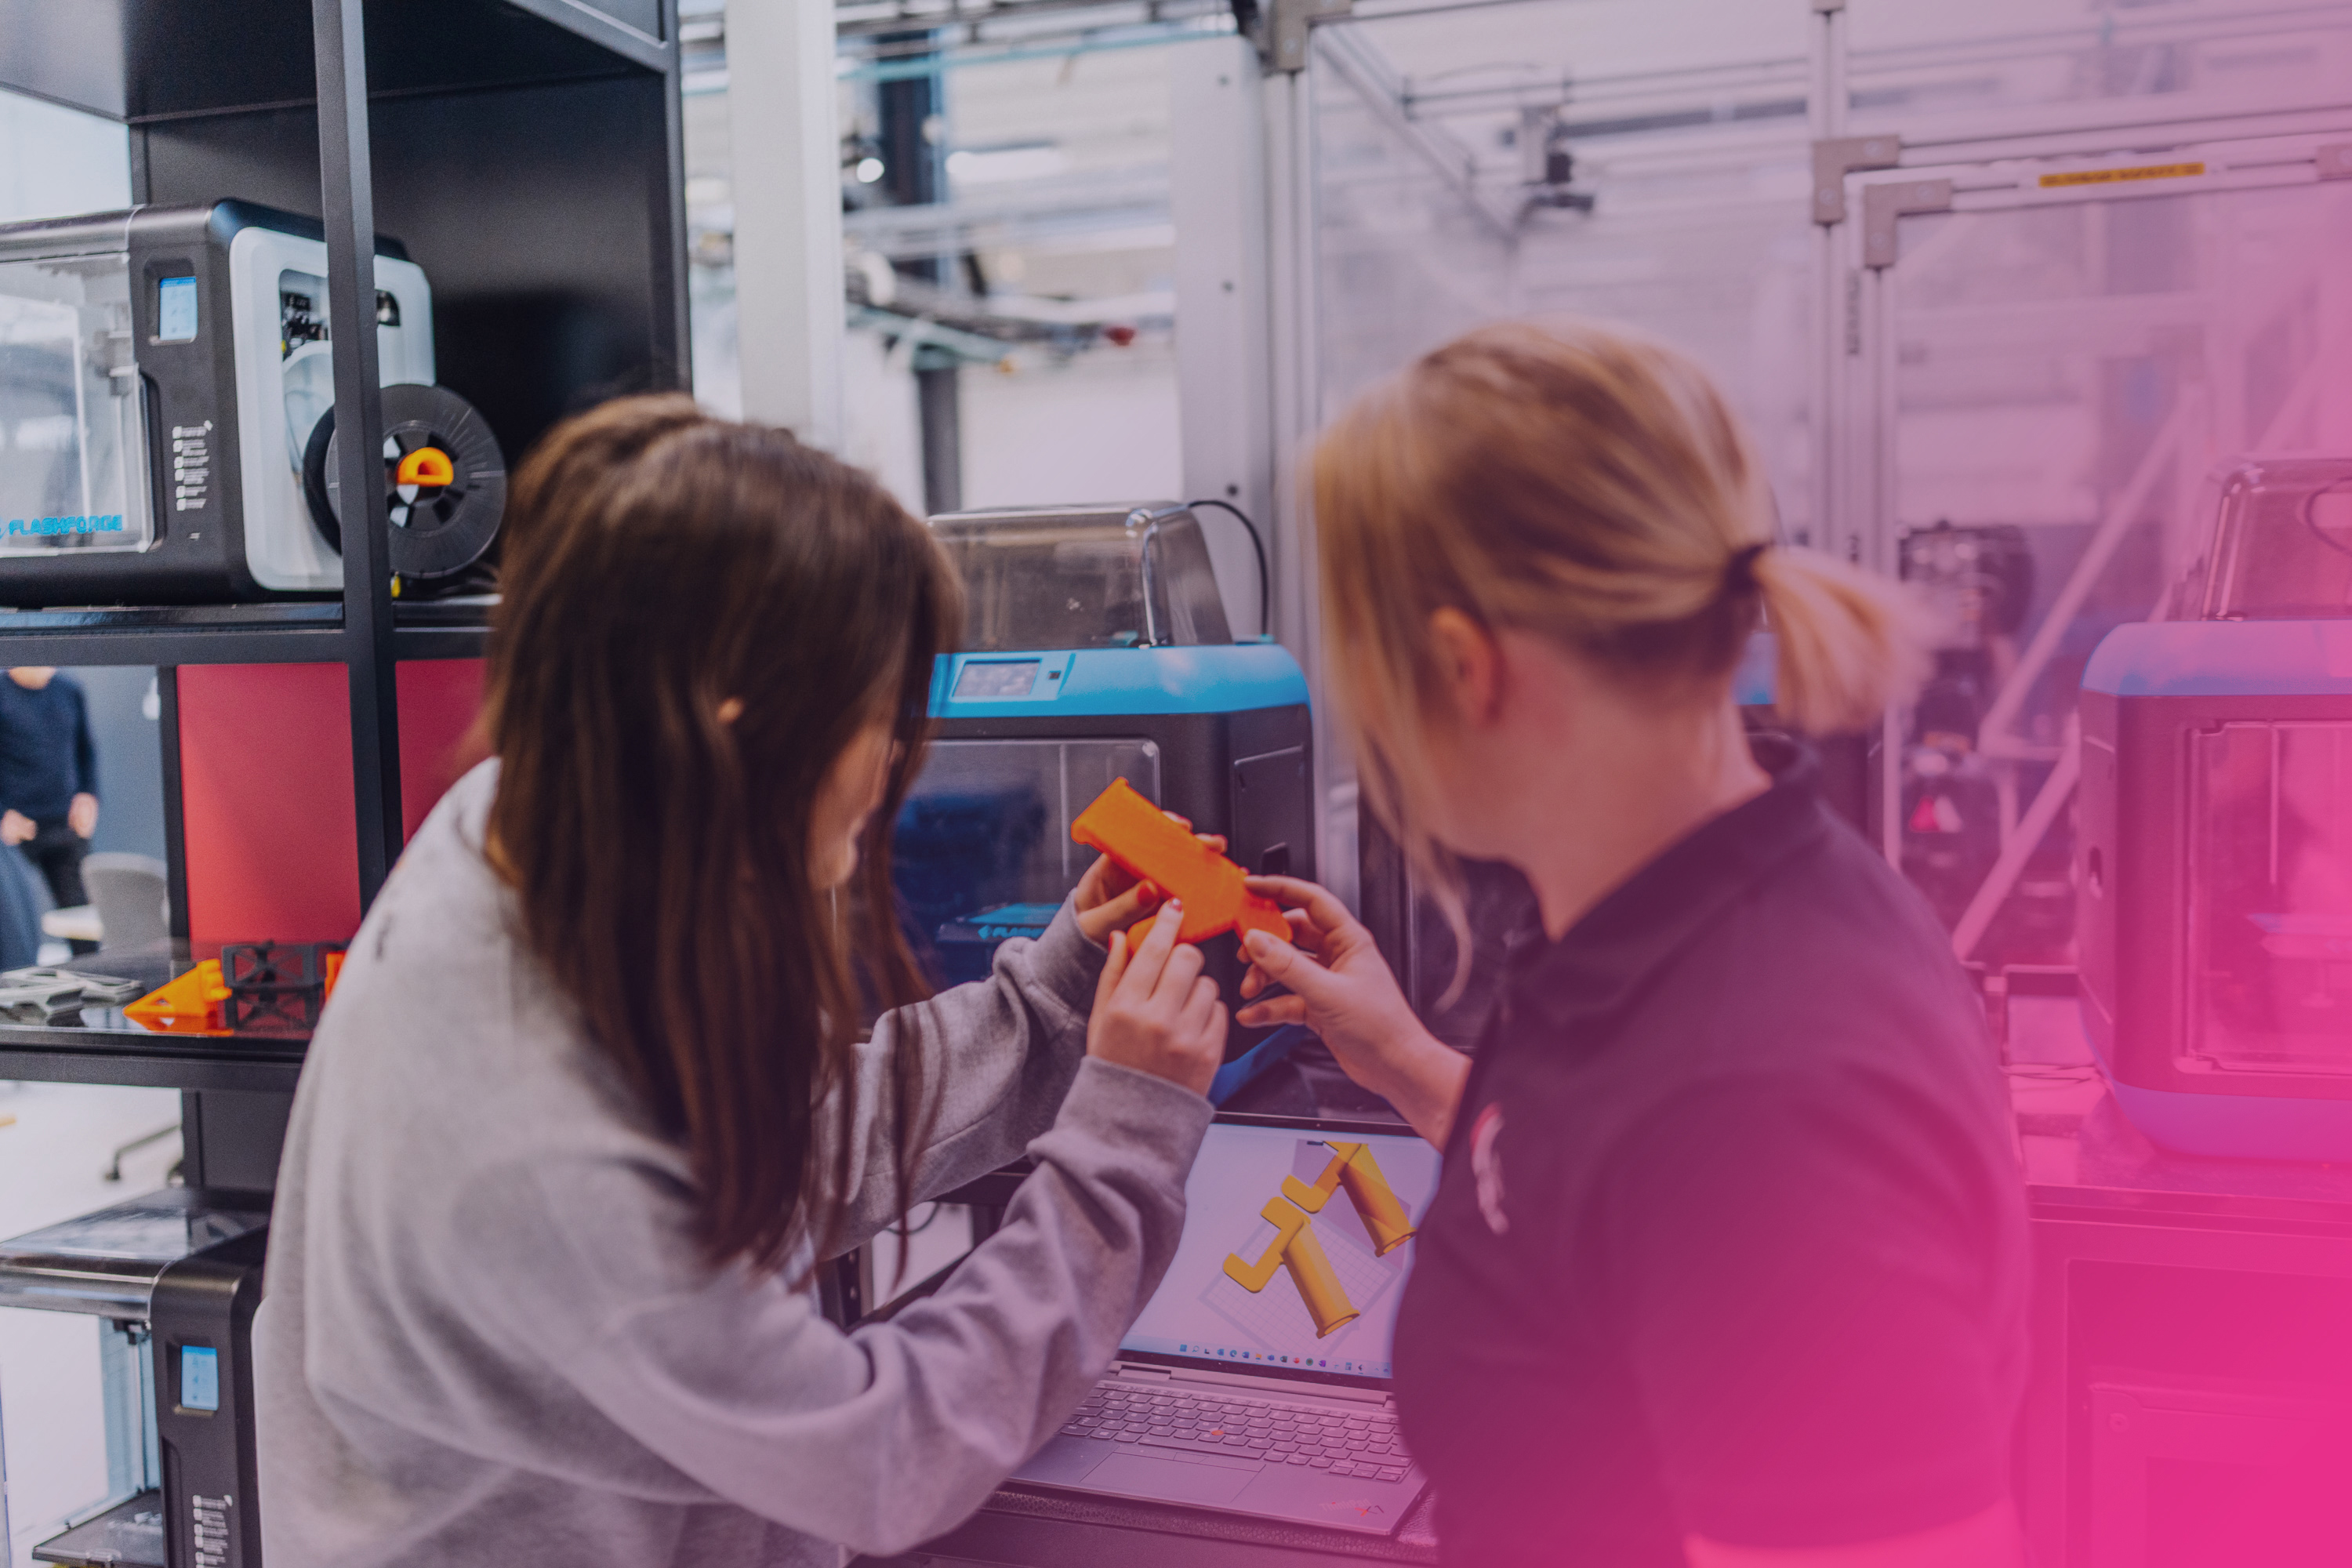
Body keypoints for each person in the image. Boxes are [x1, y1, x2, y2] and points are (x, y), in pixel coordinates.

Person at [253, 396, 1230, 1566]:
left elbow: (772, 1150)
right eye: (877, 715)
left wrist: (1060, 995)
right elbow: (884, 1455)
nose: (893, 764)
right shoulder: (535, 1132)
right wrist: (1125, 1142)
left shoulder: (537, 826)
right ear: (736, 720)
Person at [1236, 321, 2031, 1566]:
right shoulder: (1693, 911)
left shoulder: (1762, 1096)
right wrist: (1396, 1053)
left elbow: (1693, 1161)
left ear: (1463, 668)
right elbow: (1601, 1191)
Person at [0, 665, 100, 915]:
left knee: (80, 918)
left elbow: (85, 750)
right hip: (16, 829)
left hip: (64, 825)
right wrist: (2, 815)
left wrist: (88, 796)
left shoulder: (69, 689)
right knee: (13, 919)